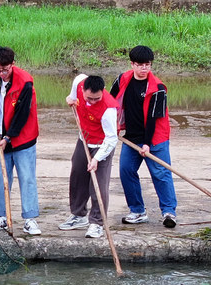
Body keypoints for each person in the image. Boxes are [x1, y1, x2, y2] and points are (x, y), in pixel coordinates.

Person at [110, 45, 177, 228]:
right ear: (132, 64)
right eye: (140, 65)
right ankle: (138, 211)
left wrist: (147, 144)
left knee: (161, 174)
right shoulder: (122, 80)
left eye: (147, 65)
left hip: (155, 138)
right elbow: (109, 101)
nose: (144, 68)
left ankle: (169, 212)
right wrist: (111, 126)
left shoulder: (158, 88)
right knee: (126, 171)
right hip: (131, 138)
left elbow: (154, 118)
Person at [0, 47, 41, 236]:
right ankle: (2, 216)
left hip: (24, 137)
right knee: (0, 177)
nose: (2, 73)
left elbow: (23, 115)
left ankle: (30, 220)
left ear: (13, 64)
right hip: (2, 134)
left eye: (5, 69)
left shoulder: (25, 82)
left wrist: (9, 137)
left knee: (27, 177)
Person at [62, 74, 119, 239]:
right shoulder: (79, 82)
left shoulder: (109, 109)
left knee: (98, 184)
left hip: (102, 145)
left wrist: (96, 159)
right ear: (83, 90)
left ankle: (97, 222)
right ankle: (78, 215)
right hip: (84, 138)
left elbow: (112, 139)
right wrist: (71, 99)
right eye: (89, 98)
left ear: (103, 91)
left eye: (97, 98)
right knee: (77, 175)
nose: (93, 102)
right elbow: (73, 95)